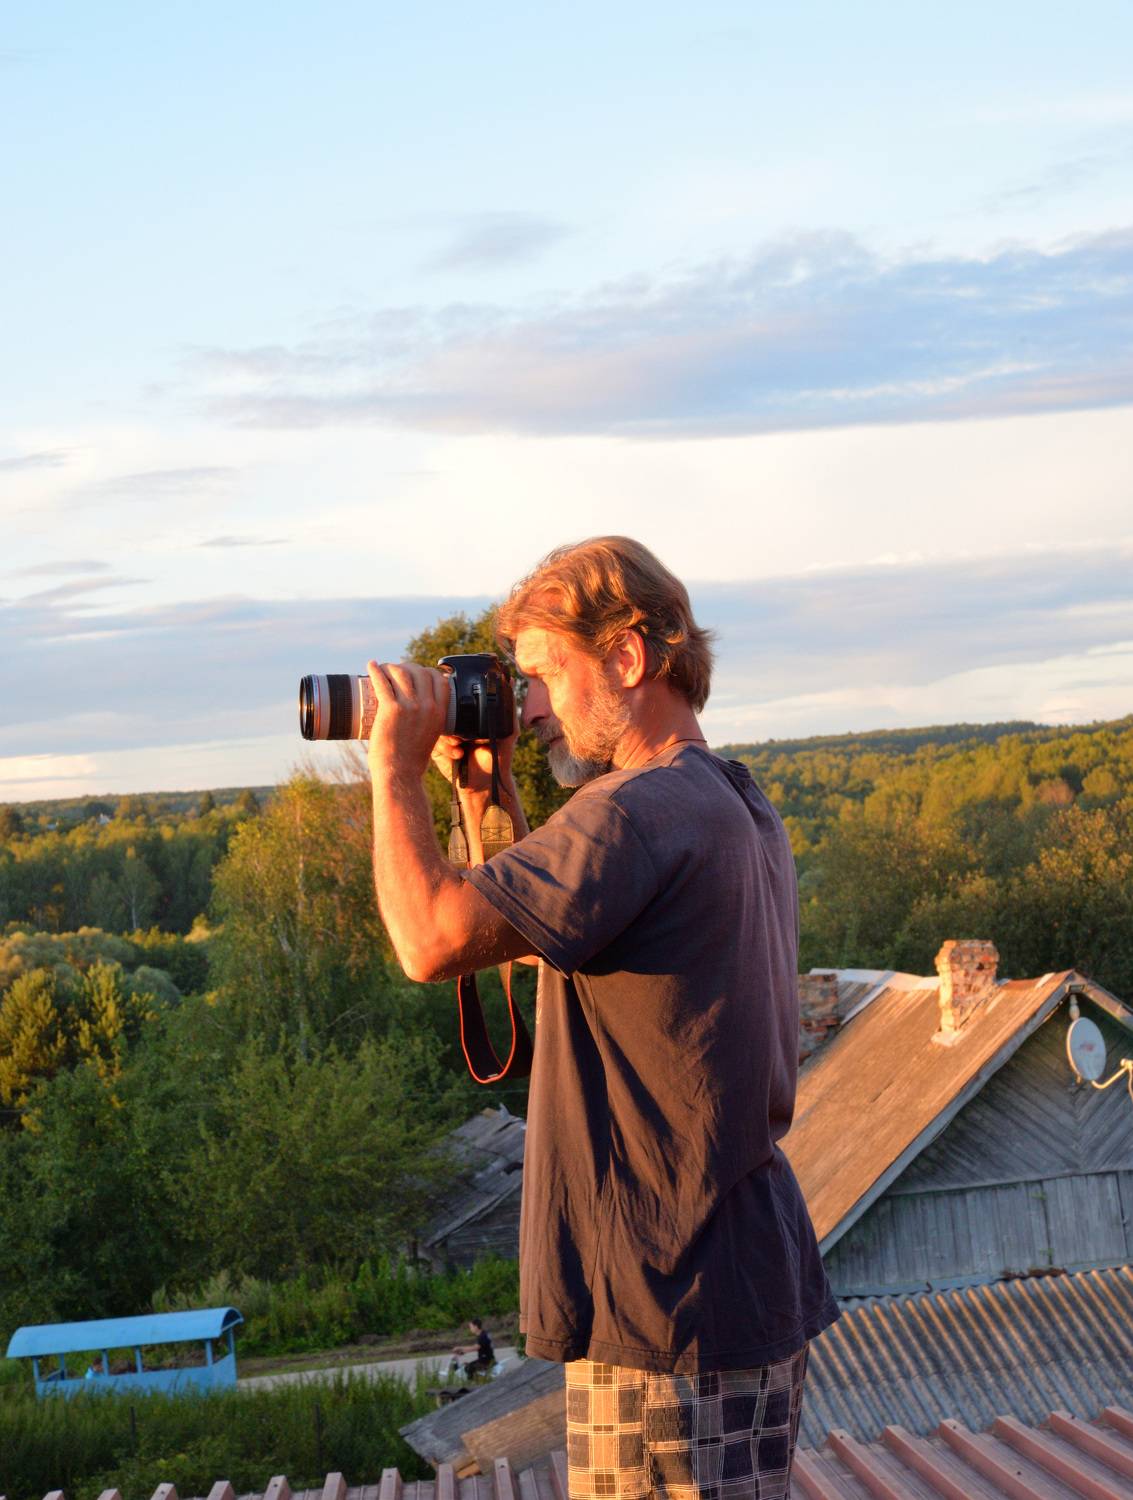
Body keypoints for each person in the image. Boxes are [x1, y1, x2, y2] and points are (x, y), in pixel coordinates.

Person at [366, 537, 838, 1500]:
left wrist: (392, 771)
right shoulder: (723, 798)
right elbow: (538, 936)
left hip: (666, 1306)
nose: (529, 704)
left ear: (626, 657)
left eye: (543, 675)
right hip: (723, 1283)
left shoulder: (631, 812)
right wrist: (485, 797)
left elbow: (429, 939)